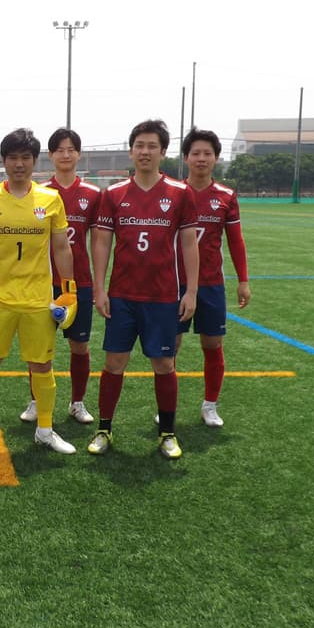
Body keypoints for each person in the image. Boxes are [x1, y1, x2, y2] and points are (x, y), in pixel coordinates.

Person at [0, 128, 79, 455]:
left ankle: (45, 430)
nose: (19, 164)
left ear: (35, 161)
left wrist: (69, 291)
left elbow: (61, 247)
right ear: (4, 161)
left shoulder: (50, 199)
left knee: (42, 367)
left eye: (25, 158)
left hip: (38, 302)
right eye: (13, 158)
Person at [88, 119, 199, 460]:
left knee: (164, 364)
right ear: (131, 151)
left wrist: (191, 292)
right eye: (140, 145)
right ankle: (104, 429)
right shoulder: (114, 194)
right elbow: (102, 243)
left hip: (163, 297)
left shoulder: (180, 193)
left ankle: (167, 433)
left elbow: (189, 244)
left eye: (152, 146)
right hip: (122, 296)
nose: (145, 152)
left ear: (163, 152)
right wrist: (99, 289)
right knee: (114, 363)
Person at [19, 128, 101, 426]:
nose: (65, 155)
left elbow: (99, 242)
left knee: (79, 345)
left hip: (79, 284)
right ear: (51, 155)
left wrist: (98, 286)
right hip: (42, 283)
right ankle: (35, 401)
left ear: (79, 154)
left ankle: (77, 403)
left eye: (71, 149)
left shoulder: (93, 194)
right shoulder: (38, 193)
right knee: (39, 348)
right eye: (59, 150)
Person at [176, 127, 250, 427]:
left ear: (216, 158)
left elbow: (236, 241)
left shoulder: (226, 196)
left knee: (212, 344)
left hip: (211, 284)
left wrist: (243, 280)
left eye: (207, 153)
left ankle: (210, 405)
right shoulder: (173, 193)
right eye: (196, 153)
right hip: (175, 283)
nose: (201, 158)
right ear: (186, 158)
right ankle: (166, 406)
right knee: (170, 347)